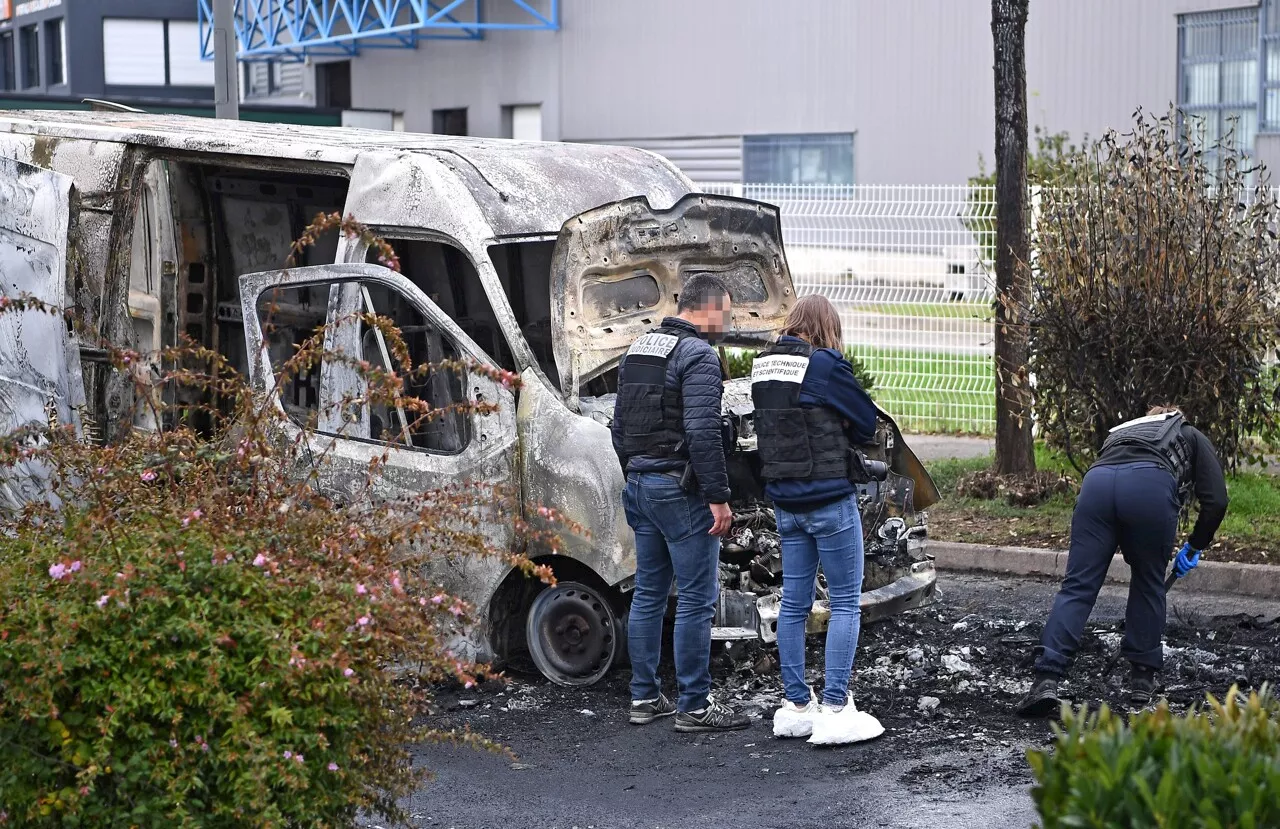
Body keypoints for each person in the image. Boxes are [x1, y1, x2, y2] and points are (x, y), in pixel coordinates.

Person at [1016, 406, 1229, 717]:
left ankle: (1046, 679)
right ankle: (1141, 682)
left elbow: (1112, 470)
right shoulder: (1188, 433)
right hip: (1150, 488)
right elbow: (1217, 500)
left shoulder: (1122, 431)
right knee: (1148, 581)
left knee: (1077, 586)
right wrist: (1195, 545)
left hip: (1096, 486)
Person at [612, 273, 749, 733]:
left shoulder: (638, 349)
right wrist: (718, 498)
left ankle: (644, 698)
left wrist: (635, 472)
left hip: (640, 485)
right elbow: (704, 434)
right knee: (695, 598)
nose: (728, 323)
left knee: (649, 594)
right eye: (726, 314)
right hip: (680, 491)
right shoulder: (699, 356)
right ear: (706, 309)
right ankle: (695, 705)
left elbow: (618, 428)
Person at [750, 294, 885, 746]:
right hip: (828, 500)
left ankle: (796, 706)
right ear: (826, 328)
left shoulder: (764, 366)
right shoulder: (824, 364)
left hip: (785, 505)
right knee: (845, 602)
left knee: (794, 602)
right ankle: (834, 707)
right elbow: (866, 421)